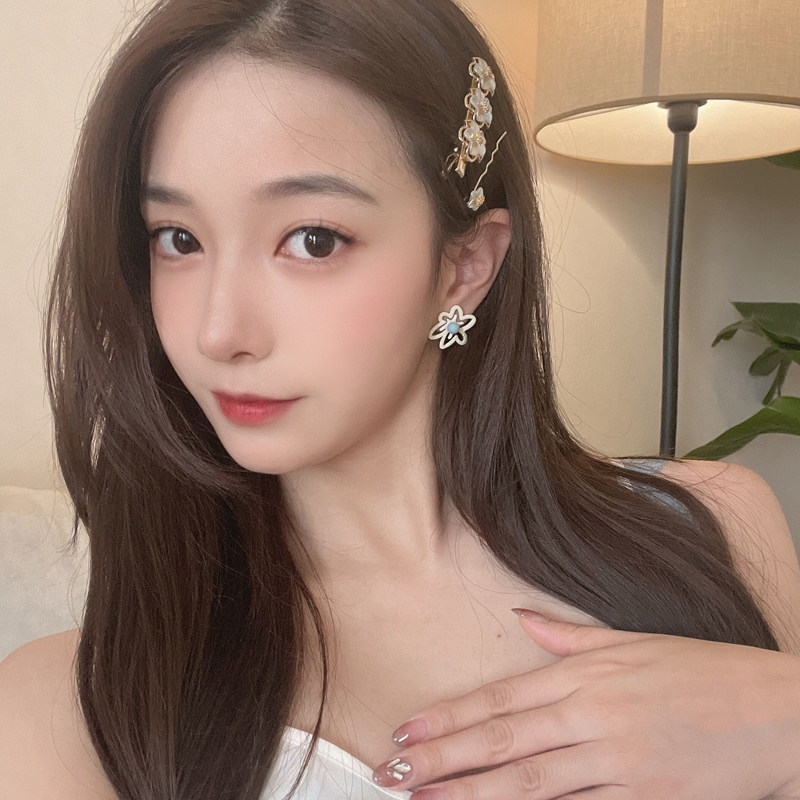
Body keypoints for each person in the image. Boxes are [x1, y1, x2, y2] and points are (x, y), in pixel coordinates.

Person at [1, 0, 799, 798]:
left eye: (312, 240)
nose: (219, 332)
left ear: (465, 266)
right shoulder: (74, 711)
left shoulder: (712, 529)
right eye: (178, 239)